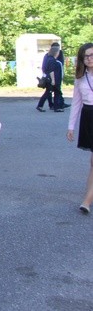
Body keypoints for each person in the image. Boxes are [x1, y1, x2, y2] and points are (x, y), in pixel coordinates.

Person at [66, 43, 93, 214]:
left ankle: (87, 201)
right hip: (88, 117)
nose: (90, 58)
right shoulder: (80, 78)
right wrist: (71, 127)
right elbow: (76, 103)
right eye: (86, 56)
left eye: (92, 55)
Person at [38, 43, 63, 112]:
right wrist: (53, 80)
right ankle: (56, 107)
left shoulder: (48, 58)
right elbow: (51, 71)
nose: (59, 53)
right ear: (55, 52)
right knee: (55, 92)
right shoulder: (52, 60)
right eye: (58, 52)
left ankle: (41, 105)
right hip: (51, 79)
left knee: (48, 92)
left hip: (47, 78)